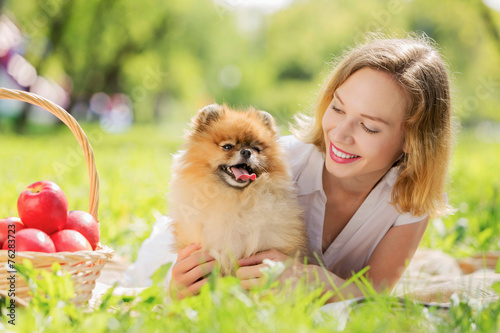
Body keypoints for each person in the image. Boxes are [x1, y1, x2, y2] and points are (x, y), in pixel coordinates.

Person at [126, 34, 456, 301]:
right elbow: (189, 213)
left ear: (412, 141)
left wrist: (320, 283)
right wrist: (175, 282)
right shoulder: (277, 164)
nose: (340, 135)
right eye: (338, 108)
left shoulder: (408, 202)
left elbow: (375, 297)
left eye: (369, 127)